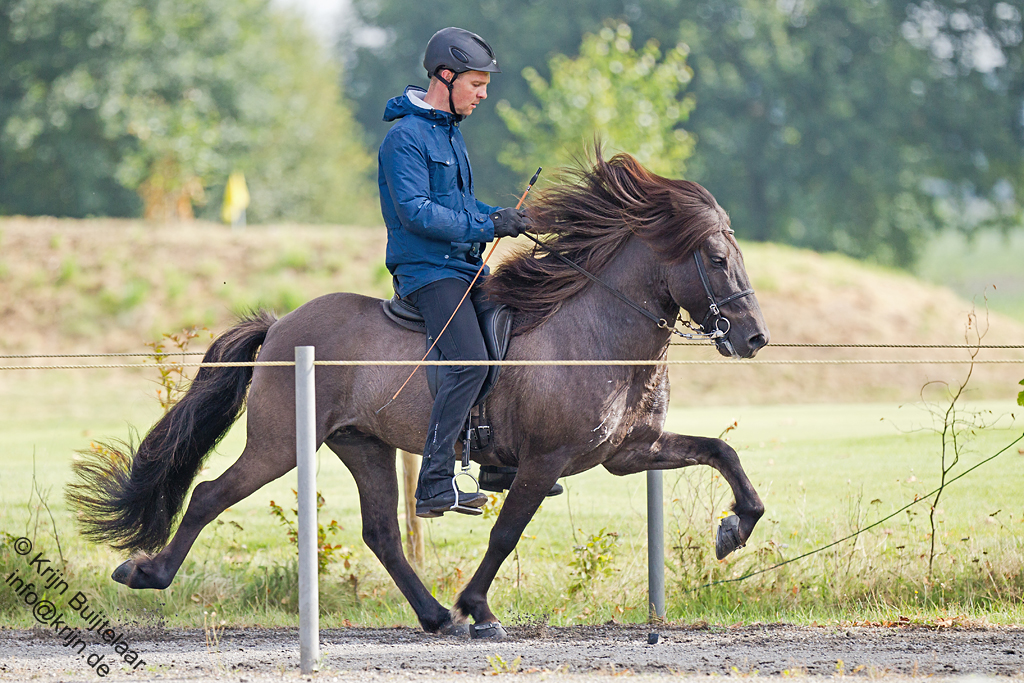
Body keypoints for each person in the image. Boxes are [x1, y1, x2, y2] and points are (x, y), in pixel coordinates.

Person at [378, 27, 529, 518]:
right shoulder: (404, 139)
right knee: (469, 361)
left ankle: (497, 464)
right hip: (426, 273)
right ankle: (435, 484)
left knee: (517, 329)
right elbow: (418, 213)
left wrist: (506, 216)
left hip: (462, 266)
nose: (484, 95)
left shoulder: (450, 134)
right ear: (445, 77)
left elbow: (460, 205)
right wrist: (487, 224)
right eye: (476, 85)